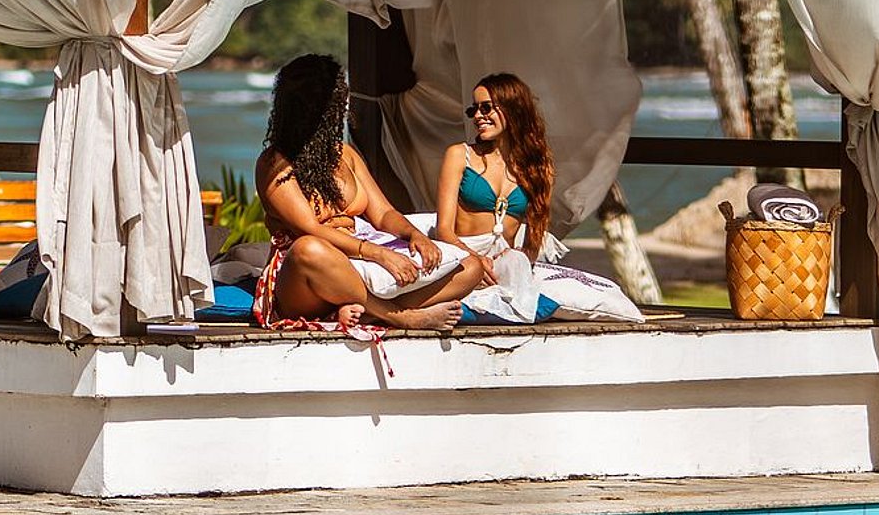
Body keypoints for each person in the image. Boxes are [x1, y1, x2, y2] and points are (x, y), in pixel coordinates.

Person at [253, 53, 489, 330]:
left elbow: (384, 213)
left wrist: (414, 236)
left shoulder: (346, 155)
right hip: (307, 277)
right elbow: (311, 229)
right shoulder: (274, 164)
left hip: (361, 263)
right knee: (309, 248)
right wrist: (378, 254)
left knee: (470, 267)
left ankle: (366, 312)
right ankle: (400, 316)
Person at [434, 72, 643, 322]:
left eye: (486, 108)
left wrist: (517, 261)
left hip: (504, 263)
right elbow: (444, 230)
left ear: (513, 109)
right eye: (474, 110)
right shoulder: (459, 155)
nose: (478, 116)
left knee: (521, 279)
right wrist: (476, 261)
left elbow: (534, 238)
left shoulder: (538, 168)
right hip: (464, 257)